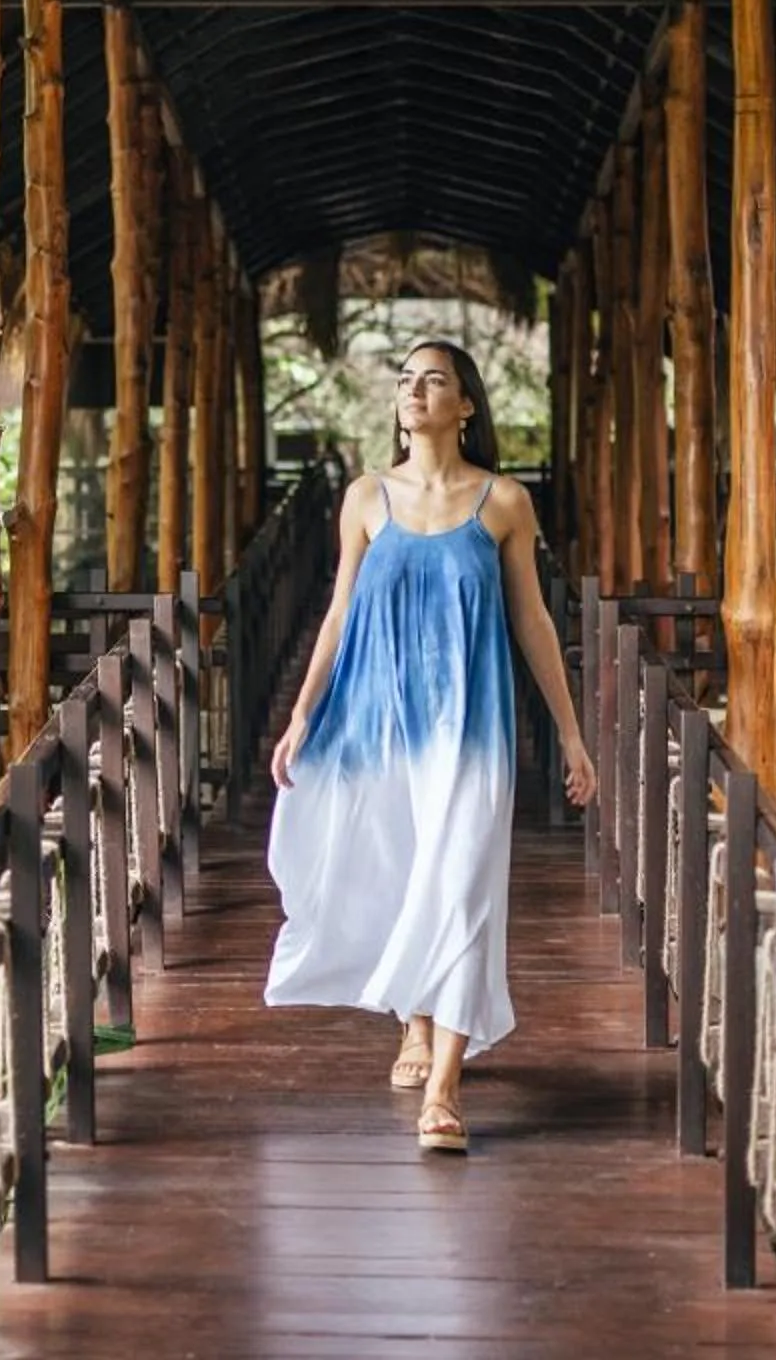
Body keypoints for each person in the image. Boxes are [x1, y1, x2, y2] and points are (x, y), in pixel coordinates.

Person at [262, 339, 599, 1156]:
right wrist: (302, 711)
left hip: (473, 732)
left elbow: (533, 621)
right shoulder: (365, 500)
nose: (415, 391)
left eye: (433, 380)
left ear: (466, 405)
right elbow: (338, 614)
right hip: (378, 726)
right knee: (404, 873)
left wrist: (571, 732)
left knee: (464, 883)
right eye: (406, 381)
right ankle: (414, 1025)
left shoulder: (504, 503)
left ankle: (445, 1084)